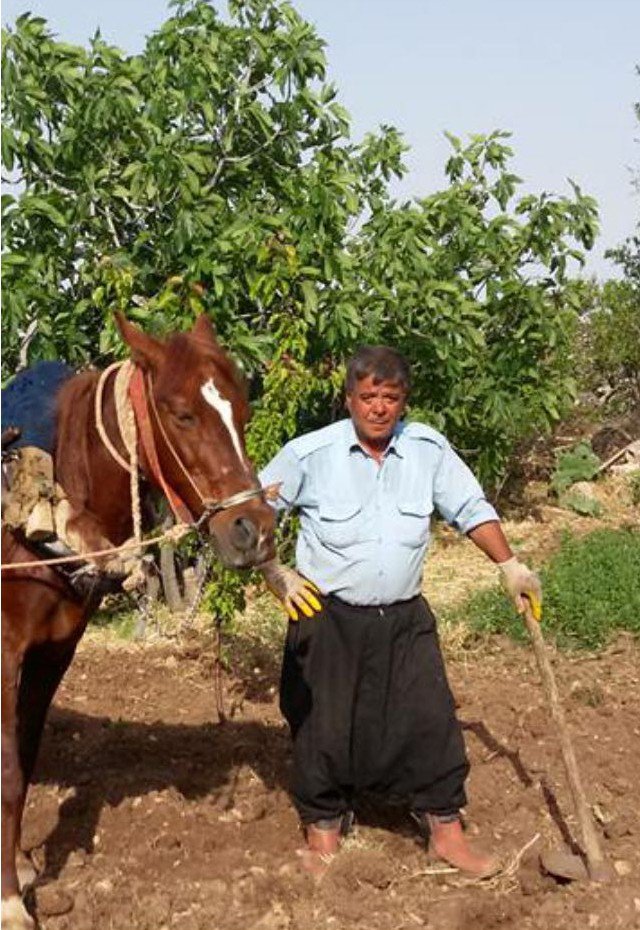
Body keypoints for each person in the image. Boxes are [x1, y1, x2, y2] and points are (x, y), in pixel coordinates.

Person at [258, 345, 541, 878]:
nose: (380, 408)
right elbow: (249, 515)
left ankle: (446, 834)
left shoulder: (428, 449)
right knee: (323, 726)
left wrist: (511, 566)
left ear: (404, 401)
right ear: (348, 399)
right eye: (368, 397)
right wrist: (277, 574)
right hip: (328, 615)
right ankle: (323, 836)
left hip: (406, 615)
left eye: (391, 398)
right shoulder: (307, 454)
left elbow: (469, 508)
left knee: (432, 720)